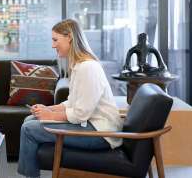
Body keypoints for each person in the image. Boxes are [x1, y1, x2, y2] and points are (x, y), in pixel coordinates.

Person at [17, 19, 123, 178]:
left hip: (101, 134)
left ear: (70, 38)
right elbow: (72, 102)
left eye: (55, 40)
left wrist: (51, 116)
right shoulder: (79, 65)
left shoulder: (88, 68)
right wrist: (48, 109)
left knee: (29, 129)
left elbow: (81, 114)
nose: (53, 45)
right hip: (90, 125)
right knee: (29, 119)